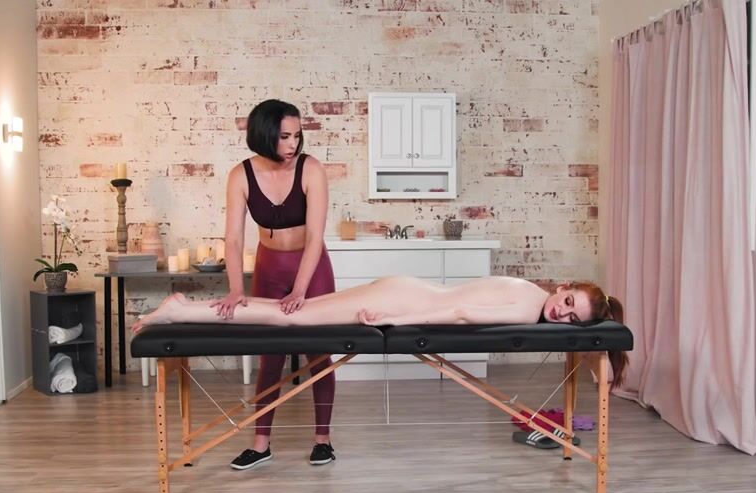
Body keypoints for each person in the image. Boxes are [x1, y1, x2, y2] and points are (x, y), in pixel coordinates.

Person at [133, 275, 628, 387]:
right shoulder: (526, 308)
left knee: (294, 309)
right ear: (563, 287)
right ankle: (180, 312)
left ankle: (190, 307)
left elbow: (460, 307)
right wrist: (399, 323)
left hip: (406, 289)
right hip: (402, 302)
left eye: (574, 319)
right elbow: (460, 315)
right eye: (568, 303)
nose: (562, 315)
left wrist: (595, 353)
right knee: (292, 318)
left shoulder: (529, 290)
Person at [212, 99, 337, 471]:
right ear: (265, 134)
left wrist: (300, 289)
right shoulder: (241, 175)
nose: (293, 144)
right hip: (269, 266)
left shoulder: (311, 169)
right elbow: (233, 239)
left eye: (297, 136)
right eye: (285, 136)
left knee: (319, 355)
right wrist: (237, 288)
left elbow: (315, 236)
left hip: (310, 267)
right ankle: (261, 444)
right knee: (271, 357)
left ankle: (323, 440)